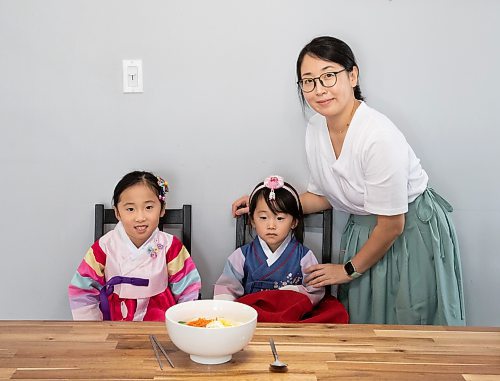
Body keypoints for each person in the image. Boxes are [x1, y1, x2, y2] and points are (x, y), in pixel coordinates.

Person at [232, 36, 465, 326]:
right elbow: (325, 195)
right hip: (367, 232)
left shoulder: (378, 137)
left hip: (408, 233)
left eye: (329, 76)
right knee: (365, 325)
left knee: (411, 323)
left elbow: (392, 224)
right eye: (308, 81)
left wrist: (347, 269)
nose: (319, 89)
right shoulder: (316, 127)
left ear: (352, 75)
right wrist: (266, 201)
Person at [69, 171, 201, 321]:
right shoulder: (105, 246)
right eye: (130, 209)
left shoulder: (170, 245)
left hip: (159, 316)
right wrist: (93, 327)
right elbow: (82, 288)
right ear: (117, 213)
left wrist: (180, 323)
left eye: (149, 207)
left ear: (162, 209)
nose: (140, 217)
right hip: (114, 317)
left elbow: (188, 289)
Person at [215, 175, 324, 306]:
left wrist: (292, 293)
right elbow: (225, 289)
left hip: (290, 317)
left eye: (279, 218)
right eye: (263, 217)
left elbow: (315, 290)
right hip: (254, 318)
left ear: (294, 222)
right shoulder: (241, 256)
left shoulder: (304, 256)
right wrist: (228, 309)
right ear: (252, 221)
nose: (271, 225)